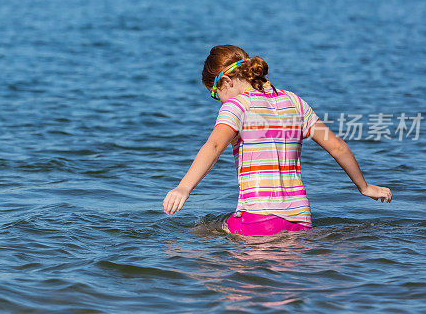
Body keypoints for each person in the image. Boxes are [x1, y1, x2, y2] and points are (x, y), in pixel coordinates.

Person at [162, 44, 392, 236]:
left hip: (259, 220)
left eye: (214, 94)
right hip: (301, 220)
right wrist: (364, 187)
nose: (218, 100)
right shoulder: (294, 101)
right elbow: (337, 146)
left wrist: (184, 188)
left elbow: (213, 146)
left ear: (227, 81)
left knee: (200, 235)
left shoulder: (236, 106)